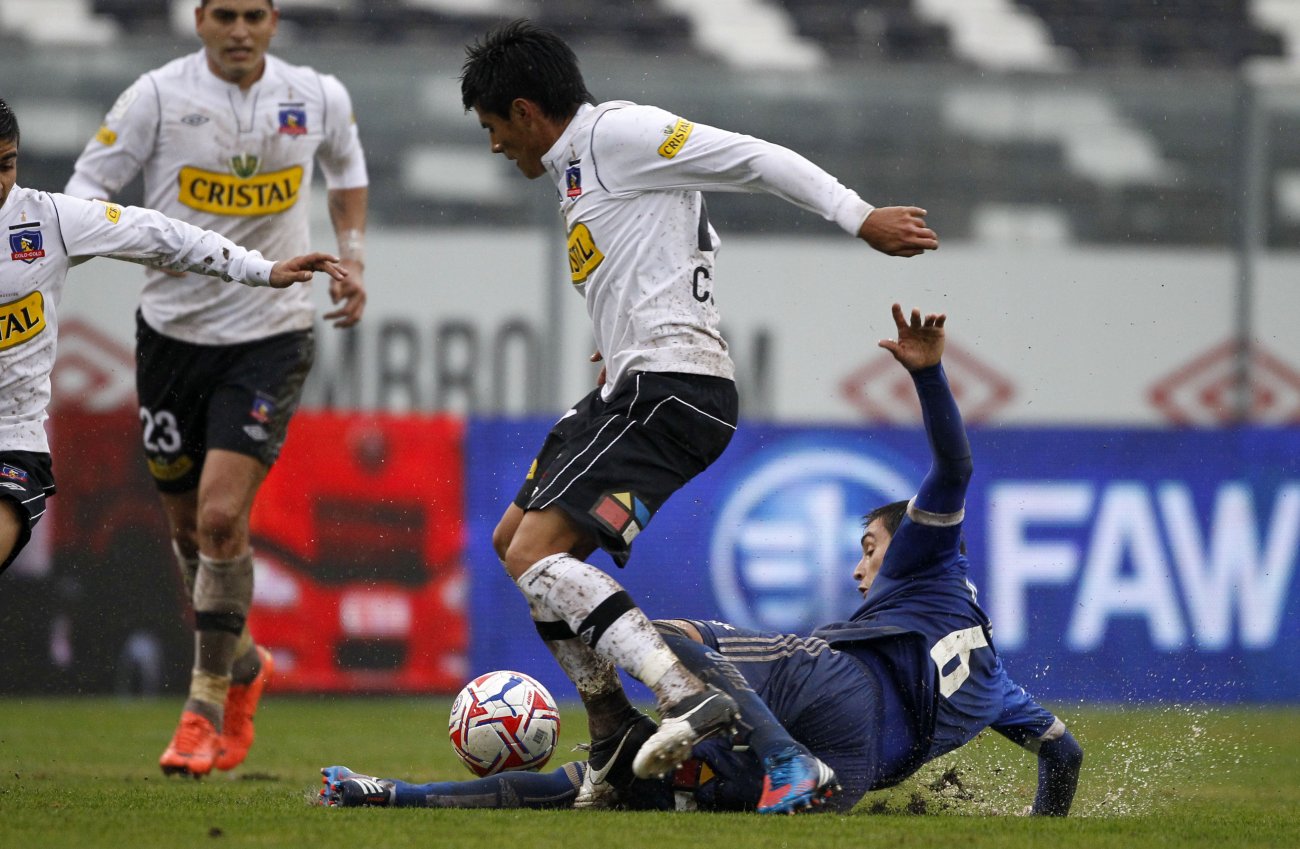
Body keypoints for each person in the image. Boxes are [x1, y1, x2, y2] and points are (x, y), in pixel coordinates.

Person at [317, 303, 1082, 816]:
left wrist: (928, 373)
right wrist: (1043, 826)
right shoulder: (998, 682)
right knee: (612, 785)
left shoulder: (927, 561)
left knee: (665, 635)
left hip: (833, 693)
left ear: (910, 540)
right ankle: (390, 794)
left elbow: (953, 470)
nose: (860, 570)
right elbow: (1063, 752)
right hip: (852, 774)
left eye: (869, 549)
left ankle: (776, 754)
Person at [460, 19, 940, 810]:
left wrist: (858, 215)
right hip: (634, 383)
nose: (493, 146)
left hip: (672, 389)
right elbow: (672, 247)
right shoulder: (578, 166)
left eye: (492, 128)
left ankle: (684, 695)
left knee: (540, 554)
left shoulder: (617, 134)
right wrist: (622, 332)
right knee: (513, 543)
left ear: (524, 111)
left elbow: (753, 156)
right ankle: (612, 723)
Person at [64, 0, 369, 778]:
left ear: (274, 21)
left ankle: (202, 708)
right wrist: (122, 238)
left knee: (221, 516)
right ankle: (245, 661)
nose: (240, 30)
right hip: (171, 337)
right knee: (188, 535)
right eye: (224, 14)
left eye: (254, 15)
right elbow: (85, 189)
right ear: (198, 19)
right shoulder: (155, 97)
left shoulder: (317, 94)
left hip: (270, 335)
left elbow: (347, 169)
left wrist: (353, 254)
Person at [0, 97, 346, 582]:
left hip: (11, 442)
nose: (0, 181)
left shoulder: (48, 220)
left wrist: (260, 269)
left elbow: (160, 234)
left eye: (7, 164)